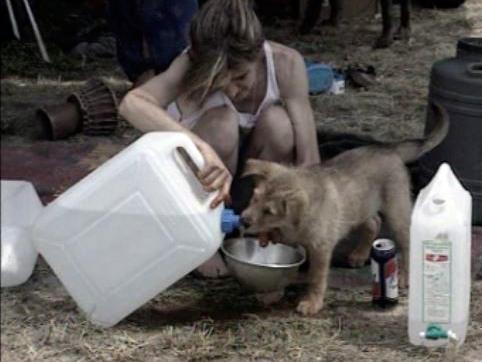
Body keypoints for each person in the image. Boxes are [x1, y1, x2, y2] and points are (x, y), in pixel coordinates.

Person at [119, 0, 321, 277]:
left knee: (280, 124)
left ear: (258, 54)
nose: (232, 89)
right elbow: (132, 103)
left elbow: (309, 160)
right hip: (200, 183)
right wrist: (198, 145)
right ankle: (204, 238)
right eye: (219, 80)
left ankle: (260, 227)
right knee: (222, 122)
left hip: (250, 185)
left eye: (240, 76)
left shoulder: (286, 63)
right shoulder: (190, 62)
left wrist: (300, 220)